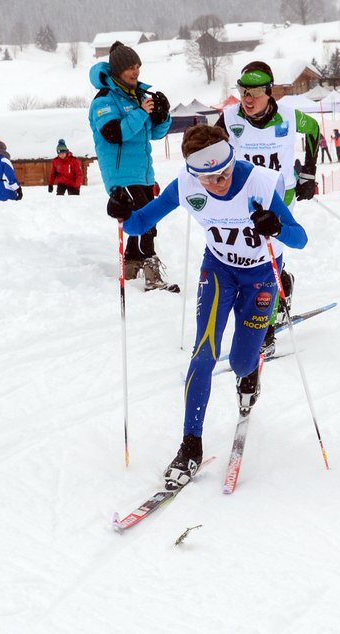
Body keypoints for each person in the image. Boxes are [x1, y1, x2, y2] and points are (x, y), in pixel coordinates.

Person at [104, 124, 307, 490]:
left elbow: (300, 238)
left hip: (261, 276)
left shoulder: (259, 182)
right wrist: (122, 211)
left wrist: (275, 226)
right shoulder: (185, 184)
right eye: (209, 178)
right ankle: (190, 444)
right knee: (204, 353)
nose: (218, 183)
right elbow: (139, 223)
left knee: (243, 361)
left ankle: (251, 371)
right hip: (218, 271)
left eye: (225, 173)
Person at [214, 60, 320, 357]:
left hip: (280, 195)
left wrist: (309, 175)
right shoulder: (230, 117)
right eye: (242, 91)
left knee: (268, 254)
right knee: (251, 255)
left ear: (269, 93)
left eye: (254, 93)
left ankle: (266, 328)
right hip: (244, 195)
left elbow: (313, 130)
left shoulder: (288, 116)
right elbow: (210, 145)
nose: (247, 99)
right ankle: (281, 283)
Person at [88, 40, 177, 292]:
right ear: (116, 71)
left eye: (137, 65)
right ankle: (150, 272)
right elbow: (114, 133)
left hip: (143, 172)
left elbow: (154, 134)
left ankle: (130, 263)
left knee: (141, 217)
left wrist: (162, 114)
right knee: (147, 219)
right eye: (129, 67)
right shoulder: (104, 100)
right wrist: (140, 112)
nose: (135, 71)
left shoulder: (137, 95)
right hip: (120, 173)